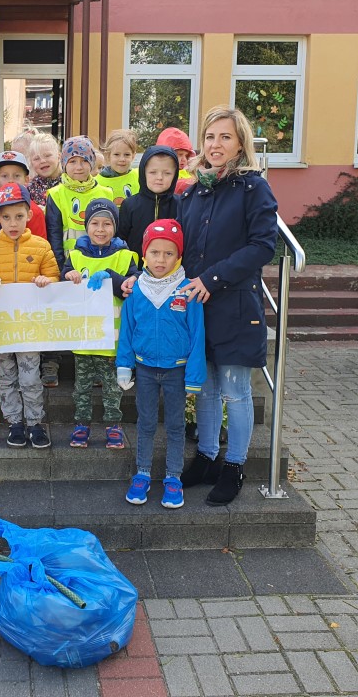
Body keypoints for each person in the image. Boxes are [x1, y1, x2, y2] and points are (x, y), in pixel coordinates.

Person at [177, 106, 278, 506]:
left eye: (225, 137)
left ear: (240, 144)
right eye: (209, 137)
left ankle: (234, 466)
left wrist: (212, 279)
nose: (215, 145)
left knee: (235, 391)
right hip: (198, 307)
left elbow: (262, 246)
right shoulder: (192, 192)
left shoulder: (254, 188)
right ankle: (206, 457)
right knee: (205, 389)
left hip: (235, 304)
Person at [117, 219, 206, 509]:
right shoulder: (136, 290)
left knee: (176, 426)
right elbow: (127, 330)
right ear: (144, 254)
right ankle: (142, 473)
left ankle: (173, 478)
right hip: (144, 369)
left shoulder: (188, 290)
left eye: (169, 253)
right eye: (155, 252)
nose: (161, 259)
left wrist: (194, 377)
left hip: (176, 370)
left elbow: (197, 335)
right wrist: (124, 364)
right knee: (145, 423)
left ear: (178, 256)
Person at [0, 183, 59, 449]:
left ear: (29, 215)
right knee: (4, 376)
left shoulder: (41, 246)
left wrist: (46, 280)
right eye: (6, 217)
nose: (13, 223)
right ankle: (14, 423)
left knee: (30, 377)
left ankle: (35, 423)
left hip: (29, 326)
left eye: (19, 216)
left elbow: (54, 280)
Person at [61, 198, 138, 449]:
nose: (101, 229)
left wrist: (114, 279)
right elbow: (62, 286)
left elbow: (134, 287)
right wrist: (68, 275)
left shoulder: (125, 257)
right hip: (83, 338)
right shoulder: (74, 256)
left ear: (115, 227)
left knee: (112, 388)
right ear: (87, 226)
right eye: (95, 223)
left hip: (113, 341)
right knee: (81, 387)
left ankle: (113, 425)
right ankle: (81, 424)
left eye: (107, 224)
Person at [44, 136, 113, 389]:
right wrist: (60, 269)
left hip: (98, 266)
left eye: (84, 161)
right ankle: (52, 362)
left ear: (92, 163)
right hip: (69, 267)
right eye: (72, 161)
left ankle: (96, 366)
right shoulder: (56, 194)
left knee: (93, 315)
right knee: (62, 316)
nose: (78, 167)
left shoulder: (105, 192)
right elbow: (54, 233)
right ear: (64, 164)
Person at [118, 145, 180, 258]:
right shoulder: (129, 205)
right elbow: (120, 240)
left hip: (170, 266)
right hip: (135, 267)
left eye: (167, 173)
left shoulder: (181, 205)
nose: (159, 177)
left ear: (175, 175)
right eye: (153, 172)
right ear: (143, 173)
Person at [0, 151, 46, 239]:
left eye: (17, 176)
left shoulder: (35, 211)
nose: (11, 180)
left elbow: (40, 244)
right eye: (4, 176)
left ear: (26, 179)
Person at [96, 129, 140, 205]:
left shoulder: (139, 176)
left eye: (127, 155)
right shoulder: (97, 182)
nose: (122, 159)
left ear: (133, 156)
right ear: (108, 155)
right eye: (116, 154)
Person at [26, 132, 62, 209]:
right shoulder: (30, 189)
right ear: (31, 162)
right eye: (36, 158)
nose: (42, 161)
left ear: (59, 156)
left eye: (47, 155)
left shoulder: (70, 182)